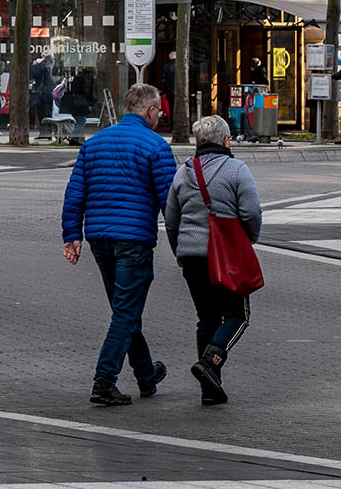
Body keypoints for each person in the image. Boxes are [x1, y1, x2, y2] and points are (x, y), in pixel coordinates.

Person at [60, 79, 178, 406]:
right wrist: (182, 246)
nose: (160, 116)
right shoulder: (155, 146)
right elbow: (170, 202)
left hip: (99, 238)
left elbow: (75, 194)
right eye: (159, 111)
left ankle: (146, 374)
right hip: (134, 239)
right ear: (151, 110)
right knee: (125, 312)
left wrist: (73, 235)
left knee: (125, 308)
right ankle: (104, 379)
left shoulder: (94, 143)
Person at [164, 112, 263, 405]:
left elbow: (171, 219)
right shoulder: (236, 169)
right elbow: (251, 212)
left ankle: (210, 388)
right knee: (238, 315)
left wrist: (179, 251)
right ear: (225, 140)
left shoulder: (183, 171)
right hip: (226, 256)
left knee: (206, 318)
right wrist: (248, 240)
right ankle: (211, 361)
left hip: (192, 257)